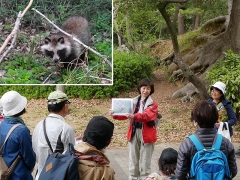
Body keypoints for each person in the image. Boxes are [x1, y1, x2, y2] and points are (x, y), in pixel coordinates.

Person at [175, 100, 237, 180]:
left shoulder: (187, 144)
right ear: (215, 119)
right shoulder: (226, 143)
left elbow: (180, 175)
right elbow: (233, 172)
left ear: (195, 121)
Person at [110, 78, 159, 180]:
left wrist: (134, 116)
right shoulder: (133, 101)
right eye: (143, 88)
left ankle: (145, 178)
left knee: (146, 160)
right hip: (133, 131)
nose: (145, 91)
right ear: (140, 88)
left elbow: (146, 116)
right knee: (133, 159)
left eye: (148, 89)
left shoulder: (153, 104)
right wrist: (114, 114)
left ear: (151, 90)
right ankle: (133, 177)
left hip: (147, 134)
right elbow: (125, 114)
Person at [32, 90, 75, 180]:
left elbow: (34, 149)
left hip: (39, 176)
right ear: (65, 107)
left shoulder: (39, 125)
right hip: (57, 175)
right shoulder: (66, 128)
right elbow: (71, 155)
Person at [0, 90, 36, 180]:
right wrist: (31, 166)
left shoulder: (2, 124)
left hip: (4, 172)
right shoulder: (21, 130)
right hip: (19, 174)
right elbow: (28, 156)